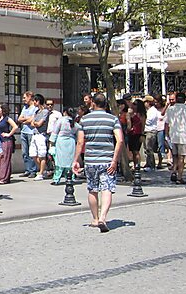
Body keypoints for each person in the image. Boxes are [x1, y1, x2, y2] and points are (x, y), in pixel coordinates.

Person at [72, 92, 123, 233]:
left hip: (90, 160)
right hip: (107, 160)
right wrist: (115, 160)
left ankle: (94, 219)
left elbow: (80, 141)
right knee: (107, 189)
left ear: (93, 103)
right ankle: (103, 217)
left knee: (93, 189)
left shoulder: (84, 119)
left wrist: (76, 160)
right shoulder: (113, 119)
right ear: (106, 103)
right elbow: (120, 140)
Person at [165, 91, 186, 185]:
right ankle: (179, 177)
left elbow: (166, 124)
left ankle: (173, 172)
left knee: (174, 156)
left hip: (173, 136)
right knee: (181, 157)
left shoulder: (170, 109)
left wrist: (167, 135)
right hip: (183, 136)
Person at [50, 108, 77, 185]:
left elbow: (55, 132)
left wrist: (51, 144)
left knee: (59, 161)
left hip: (61, 142)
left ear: (65, 112)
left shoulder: (61, 120)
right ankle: (70, 178)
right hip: (71, 142)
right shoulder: (74, 122)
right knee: (70, 161)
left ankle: (56, 179)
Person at [29, 94, 50, 180]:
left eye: (34, 100)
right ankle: (43, 169)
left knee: (42, 155)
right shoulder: (36, 112)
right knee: (33, 154)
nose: (33, 102)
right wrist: (35, 123)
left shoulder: (45, 111)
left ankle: (41, 173)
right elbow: (32, 123)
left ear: (38, 101)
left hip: (41, 135)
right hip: (34, 134)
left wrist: (35, 123)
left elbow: (39, 123)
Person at [0, 104, 18, 184]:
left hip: (6, 141)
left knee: (4, 159)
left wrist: (9, 134)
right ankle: (6, 176)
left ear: (3, 110)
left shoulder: (7, 118)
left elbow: (15, 127)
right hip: (0, 141)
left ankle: (2, 178)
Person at [17, 91, 37, 177]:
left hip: (31, 132)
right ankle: (27, 169)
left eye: (25, 97)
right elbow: (19, 119)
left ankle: (33, 170)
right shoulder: (25, 107)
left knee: (31, 152)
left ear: (30, 97)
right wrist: (26, 120)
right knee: (24, 152)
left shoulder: (35, 108)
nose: (23, 99)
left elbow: (32, 120)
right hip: (23, 132)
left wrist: (25, 120)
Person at [143, 95, 160, 171]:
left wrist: (142, 120)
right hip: (146, 131)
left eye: (145, 102)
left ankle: (151, 165)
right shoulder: (148, 111)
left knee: (149, 149)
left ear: (149, 102)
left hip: (151, 131)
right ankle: (148, 163)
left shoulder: (153, 111)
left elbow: (149, 121)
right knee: (146, 149)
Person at [128, 98, 146, 169]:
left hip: (137, 134)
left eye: (135, 104)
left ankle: (137, 165)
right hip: (131, 133)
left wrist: (142, 134)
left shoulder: (141, 115)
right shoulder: (131, 112)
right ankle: (135, 165)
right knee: (132, 151)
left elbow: (143, 125)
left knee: (136, 151)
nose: (133, 105)